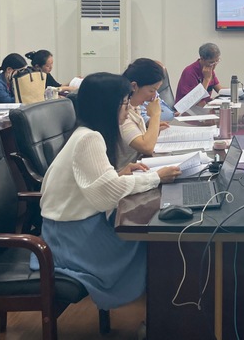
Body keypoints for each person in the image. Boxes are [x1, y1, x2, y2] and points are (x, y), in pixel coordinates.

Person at [36, 72, 181, 311]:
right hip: (73, 239)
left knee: (150, 236)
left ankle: (160, 317)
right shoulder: (89, 139)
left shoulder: (84, 133)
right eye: (124, 103)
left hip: (66, 229)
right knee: (154, 243)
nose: (127, 109)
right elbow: (108, 196)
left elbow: (94, 183)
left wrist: (119, 173)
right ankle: (162, 320)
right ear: (107, 106)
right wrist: (156, 177)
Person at [117, 58, 179, 170]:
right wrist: (155, 115)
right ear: (134, 86)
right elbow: (147, 148)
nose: (154, 96)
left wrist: (153, 129)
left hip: (138, 167)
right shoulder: (121, 113)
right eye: (151, 91)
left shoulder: (134, 106)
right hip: (125, 173)